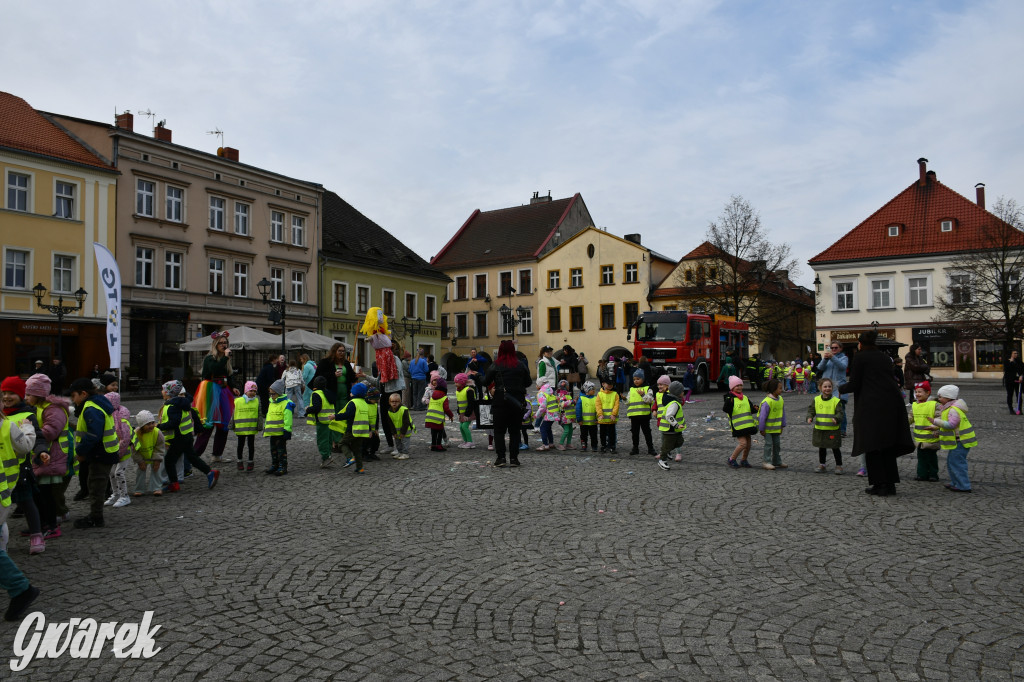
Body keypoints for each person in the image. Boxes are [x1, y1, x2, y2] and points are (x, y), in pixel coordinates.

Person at [838, 331, 915, 497]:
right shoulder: (883, 357)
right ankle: (890, 484)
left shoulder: (861, 357)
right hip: (891, 403)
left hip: (872, 406)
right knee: (886, 446)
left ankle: (879, 485)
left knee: (872, 445)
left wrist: (841, 388)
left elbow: (855, 383)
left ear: (860, 344)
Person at [0, 407, 40, 622]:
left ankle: (20, 588)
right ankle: (20, 588)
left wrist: (28, 428)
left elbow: (25, 446)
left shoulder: (7, 426)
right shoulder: (6, 425)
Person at [1, 377, 47, 553]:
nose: (7, 397)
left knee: (27, 502)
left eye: (11, 393)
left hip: (20, 469)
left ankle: (37, 535)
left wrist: (42, 451)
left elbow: (37, 436)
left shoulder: (27, 415)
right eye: (4, 393)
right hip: (1, 470)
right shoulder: (1, 414)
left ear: (21, 395)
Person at [68, 377, 120, 528]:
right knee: (94, 483)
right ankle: (95, 515)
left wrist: (81, 451)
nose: (72, 400)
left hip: (100, 452)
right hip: (103, 451)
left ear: (83, 394)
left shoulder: (91, 408)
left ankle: (96, 517)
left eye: (74, 396)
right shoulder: (96, 403)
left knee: (96, 486)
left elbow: (93, 434)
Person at [24, 373, 72, 534]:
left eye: (29, 394)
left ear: (38, 394)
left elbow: (50, 432)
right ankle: (41, 524)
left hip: (53, 457)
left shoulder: (53, 409)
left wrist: (27, 431)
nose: (26, 397)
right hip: (44, 456)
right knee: (40, 493)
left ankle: (50, 525)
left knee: (46, 495)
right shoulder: (40, 407)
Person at [158, 380, 219, 494]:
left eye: (163, 390)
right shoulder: (181, 403)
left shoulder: (172, 406)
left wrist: (159, 426)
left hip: (178, 438)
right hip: (186, 436)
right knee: (192, 458)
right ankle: (210, 472)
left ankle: (174, 483)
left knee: (169, 461)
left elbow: (174, 423)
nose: (162, 391)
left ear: (169, 393)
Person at [192, 332, 240, 464]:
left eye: (226, 343)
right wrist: (225, 358)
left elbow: (228, 375)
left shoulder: (226, 360)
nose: (224, 345)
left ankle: (217, 454)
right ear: (215, 344)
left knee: (223, 425)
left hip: (224, 392)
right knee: (208, 425)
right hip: (210, 391)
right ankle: (194, 455)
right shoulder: (209, 358)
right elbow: (215, 369)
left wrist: (233, 387)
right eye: (221, 343)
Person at [482, 341, 530, 467]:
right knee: (515, 431)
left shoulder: (496, 365)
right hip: (516, 401)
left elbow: (485, 381)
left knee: (499, 431)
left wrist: (476, 377)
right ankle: (514, 458)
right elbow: (528, 382)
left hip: (500, 401)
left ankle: (501, 458)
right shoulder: (520, 365)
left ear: (500, 351)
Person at [932, 385, 975, 493]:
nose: (939, 399)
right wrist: (937, 430)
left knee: (957, 463)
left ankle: (963, 485)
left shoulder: (953, 410)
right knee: (952, 462)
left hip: (961, 441)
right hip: (958, 440)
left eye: (940, 397)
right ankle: (955, 482)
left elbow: (951, 425)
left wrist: (935, 422)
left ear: (948, 398)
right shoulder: (949, 408)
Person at [314, 343, 356, 446]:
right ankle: (334, 440)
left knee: (343, 415)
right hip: (331, 392)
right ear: (334, 351)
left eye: (343, 351)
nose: (341, 353)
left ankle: (343, 439)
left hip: (344, 393)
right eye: (339, 351)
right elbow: (319, 376)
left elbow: (351, 377)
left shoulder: (346, 363)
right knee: (333, 415)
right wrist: (333, 375)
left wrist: (356, 376)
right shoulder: (326, 362)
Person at [332, 383, 377, 474]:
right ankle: (360, 468)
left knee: (341, 443)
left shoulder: (353, 403)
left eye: (351, 391)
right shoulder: (364, 403)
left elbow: (347, 415)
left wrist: (335, 416)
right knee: (357, 449)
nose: (350, 393)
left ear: (354, 393)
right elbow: (369, 417)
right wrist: (370, 430)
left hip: (352, 429)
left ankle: (349, 458)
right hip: (362, 430)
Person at [806, 377, 845, 474]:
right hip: (820, 429)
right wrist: (809, 417)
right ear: (820, 388)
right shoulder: (816, 399)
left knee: (835, 447)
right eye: (825, 386)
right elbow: (811, 410)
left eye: (829, 386)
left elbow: (840, 413)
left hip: (833, 429)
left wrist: (836, 418)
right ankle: (822, 464)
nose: (827, 388)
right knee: (822, 447)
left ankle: (839, 465)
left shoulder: (836, 401)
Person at [103, 392, 133, 508]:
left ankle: (124, 496)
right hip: (116, 450)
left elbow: (125, 438)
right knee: (112, 473)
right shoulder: (112, 415)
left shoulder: (121, 417)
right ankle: (116, 494)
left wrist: (119, 453)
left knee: (119, 472)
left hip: (123, 451)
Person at [908, 381, 940, 482]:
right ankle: (921, 474)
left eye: (920, 392)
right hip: (919, 438)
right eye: (916, 392)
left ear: (928, 393)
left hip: (931, 436)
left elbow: (939, 417)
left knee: (931, 457)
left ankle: (933, 474)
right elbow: (910, 417)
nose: (917, 394)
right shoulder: (915, 405)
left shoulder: (934, 404)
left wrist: (936, 427)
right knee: (921, 457)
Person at [818, 341, 850, 436]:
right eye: (832, 348)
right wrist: (825, 359)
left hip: (839, 388)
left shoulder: (844, 358)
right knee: (827, 409)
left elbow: (842, 366)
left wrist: (832, 357)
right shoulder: (827, 359)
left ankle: (842, 430)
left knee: (840, 410)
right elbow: (820, 367)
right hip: (827, 387)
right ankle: (828, 426)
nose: (833, 349)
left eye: (836, 348)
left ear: (840, 348)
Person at [724, 375, 756, 468]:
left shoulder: (745, 397)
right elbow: (726, 409)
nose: (739, 387)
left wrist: (755, 409)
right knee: (743, 443)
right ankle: (731, 459)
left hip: (747, 425)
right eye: (737, 386)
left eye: (740, 385)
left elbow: (750, 408)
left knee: (748, 445)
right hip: (737, 426)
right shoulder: (730, 398)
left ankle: (744, 460)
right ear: (732, 388)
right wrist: (728, 403)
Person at [131, 410, 166, 496]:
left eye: (152, 423)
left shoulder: (157, 432)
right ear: (142, 425)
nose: (151, 426)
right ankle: (139, 489)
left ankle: (157, 488)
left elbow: (160, 447)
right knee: (140, 471)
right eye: (148, 424)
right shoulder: (136, 434)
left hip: (154, 454)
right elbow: (134, 450)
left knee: (156, 469)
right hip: (142, 456)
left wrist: (157, 459)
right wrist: (139, 461)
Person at [656, 381, 687, 471]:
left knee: (679, 441)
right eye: (682, 391)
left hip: (675, 429)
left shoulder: (676, 401)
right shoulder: (674, 404)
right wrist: (676, 425)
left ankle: (667, 451)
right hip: (670, 429)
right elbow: (669, 416)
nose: (683, 393)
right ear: (677, 393)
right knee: (667, 445)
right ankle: (662, 460)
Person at [305, 377, 335, 468]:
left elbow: (317, 407)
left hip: (321, 421)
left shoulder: (316, 394)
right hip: (330, 420)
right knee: (329, 440)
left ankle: (325, 458)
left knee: (322, 440)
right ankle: (328, 455)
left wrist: (308, 409)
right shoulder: (328, 393)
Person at [758, 378, 787, 470]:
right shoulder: (767, 402)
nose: (781, 390)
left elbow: (782, 413)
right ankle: (766, 461)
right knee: (768, 445)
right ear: (773, 389)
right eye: (779, 388)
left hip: (776, 428)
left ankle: (776, 461)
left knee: (777, 445)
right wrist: (761, 429)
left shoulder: (780, 399)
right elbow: (762, 417)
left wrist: (782, 425)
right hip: (767, 429)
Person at [626, 369, 656, 456]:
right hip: (634, 416)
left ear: (643, 379)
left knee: (647, 432)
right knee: (635, 433)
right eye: (634, 379)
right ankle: (635, 448)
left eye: (638, 379)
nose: (636, 381)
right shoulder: (631, 389)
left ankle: (650, 448)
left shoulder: (648, 388)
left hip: (644, 415)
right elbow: (628, 402)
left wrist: (643, 395)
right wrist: (625, 399)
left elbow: (650, 400)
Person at [231, 381, 260, 472]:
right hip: (241, 428)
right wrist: (232, 424)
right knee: (240, 445)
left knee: (251, 446)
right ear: (246, 391)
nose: (253, 393)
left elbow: (259, 414)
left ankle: (250, 461)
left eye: (254, 391)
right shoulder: (238, 401)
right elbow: (233, 413)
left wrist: (259, 425)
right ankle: (239, 460)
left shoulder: (256, 401)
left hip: (251, 427)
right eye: (251, 390)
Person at [424, 377, 454, 452]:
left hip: (430, 417)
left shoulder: (433, 396)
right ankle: (439, 446)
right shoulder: (444, 397)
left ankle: (433, 446)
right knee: (440, 432)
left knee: (433, 432)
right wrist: (451, 416)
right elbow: (446, 409)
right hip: (438, 418)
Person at [386, 393, 414, 459]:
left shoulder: (404, 409)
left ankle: (405, 453)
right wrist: (394, 433)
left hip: (405, 430)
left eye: (396, 401)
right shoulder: (389, 411)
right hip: (397, 430)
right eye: (392, 401)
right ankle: (400, 452)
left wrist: (403, 432)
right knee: (398, 442)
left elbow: (406, 422)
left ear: (400, 402)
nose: (394, 403)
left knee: (404, 442)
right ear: (389, 402)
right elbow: (390, 423)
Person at [453, 373, 477, 449]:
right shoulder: (458, 391)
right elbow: (459, 402)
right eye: (455, 382)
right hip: (462, 413)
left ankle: (470, 442)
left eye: (457, 382)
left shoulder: (469, 390)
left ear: (462, 382)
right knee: (461, 427)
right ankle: (466, 441)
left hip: (469, 412)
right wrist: (458, 412)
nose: (455, 384)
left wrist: (467, 414)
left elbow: (471, 403)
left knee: (464, 426)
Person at [596, 379, 620, 453]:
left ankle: (612, 446)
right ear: (603, 384)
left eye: (611, 384)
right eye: (608, 384)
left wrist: (613, 414)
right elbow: (598, 405)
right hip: (603, 419)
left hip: (611, 419)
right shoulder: (599, 394)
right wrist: (600, 414)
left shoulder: (615, 394)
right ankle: (603, 446)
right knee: (602, 434)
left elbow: (616, 405)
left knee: (612, 433)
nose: (610, 385)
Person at [576, 381, 599, 452]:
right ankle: (584, 445)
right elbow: (578, 410)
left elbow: (598, 410)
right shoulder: (581, 399)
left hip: (593, 422)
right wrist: (579, 420)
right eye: (592, 390)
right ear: (587, 390)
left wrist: (597, 418)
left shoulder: (596, 398)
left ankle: (594, 446)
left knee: (594, 435)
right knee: (583, 435)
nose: (594, 391)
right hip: (584, 423)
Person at [535, 383, 558, 451]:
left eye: (537, 384)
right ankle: (551, 443)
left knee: (543, 429)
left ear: (540, 385)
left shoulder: (541, 393)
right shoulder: (549, 391)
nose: (536, 386)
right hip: (554, 412)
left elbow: (543, 406)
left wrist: (537, 415)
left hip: (549, 413)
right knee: (548, 428)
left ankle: (545, 445)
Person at [255, 354, 277, 421]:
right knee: (264, 399)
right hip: (263, 385)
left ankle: (264, 412)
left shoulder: (267, 366)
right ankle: (265, 412)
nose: (277, 360)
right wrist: (272, 385)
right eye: (276, 359)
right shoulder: (270, 367)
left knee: (263, 398)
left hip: (261, 384)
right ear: (273, 360)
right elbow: (269, 378)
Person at [556, 379, 575, 451]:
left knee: (570, 430)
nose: (568, 386)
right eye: (567, 385)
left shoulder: (566, 394)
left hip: (569, 416)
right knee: (566, 430)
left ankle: (568, 443)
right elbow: (562, 404)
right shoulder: (562, 395)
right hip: (564, 416)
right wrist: (572, 401)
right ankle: (560, 444)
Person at [1002, 349, 1023, 415]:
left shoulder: (1019, 361)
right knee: (1010, 395)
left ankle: (1019, 409)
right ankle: (1011, 409)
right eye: (1014, 353)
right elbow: (1006, 370)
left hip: (1018, 381)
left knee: (1019, 396)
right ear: (1011, 354)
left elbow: (1023, 369)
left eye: (1017, 353)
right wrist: (1011, 362)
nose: (1016, 354)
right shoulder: (1007, 361)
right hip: (1009, 381)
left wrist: (1021, 375)